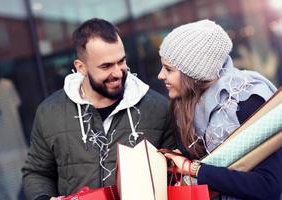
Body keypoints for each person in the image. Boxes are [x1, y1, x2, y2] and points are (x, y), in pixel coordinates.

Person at [22, 18, 176, 200]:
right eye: (106, 66)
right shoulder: (50, 112)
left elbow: (174, 174)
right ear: (81, 67)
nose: (118, 72)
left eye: (121, 61)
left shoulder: (158, 108)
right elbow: (37, 172)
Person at [157, 19, 282, 199]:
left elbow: (268, 186)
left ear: (194, 73)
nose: (160, 75)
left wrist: (193, 169)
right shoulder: (183, 105)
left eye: (169, 69)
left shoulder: (246, 100)